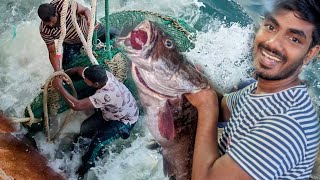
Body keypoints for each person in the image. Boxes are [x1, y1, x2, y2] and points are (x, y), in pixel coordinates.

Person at [185, 0, 320, 179]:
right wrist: (191, 81)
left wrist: (206, 107)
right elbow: (222, 108)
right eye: (271, 27)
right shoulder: (262, 91)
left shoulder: (287, 125)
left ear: (310, 53)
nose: (273, 44)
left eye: (294, 39)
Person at [53, 65, 139, 176]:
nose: (84, 80)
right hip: (112, 111)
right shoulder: (102, 74)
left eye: (86, 80)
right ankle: (70, 159)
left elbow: (76, 105)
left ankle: (81, 173)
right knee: (84, 130)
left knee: (97, 144)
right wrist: (62, 75)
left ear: (96, 84)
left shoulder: (106, 95)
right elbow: (79, 70)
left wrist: (60, 87)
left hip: (124, 121)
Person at [37, 0, 119, 71]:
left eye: (52, 22)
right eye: (47, 23)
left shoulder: (65, 6)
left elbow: (85, 10)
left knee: (117, 35)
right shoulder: (44, 30)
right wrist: (57, 71)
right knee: (67, 68)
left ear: (56, 14)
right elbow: (52, 52)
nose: (51, 25)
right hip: (72, 43)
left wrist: (90, 20)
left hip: (91, 32)